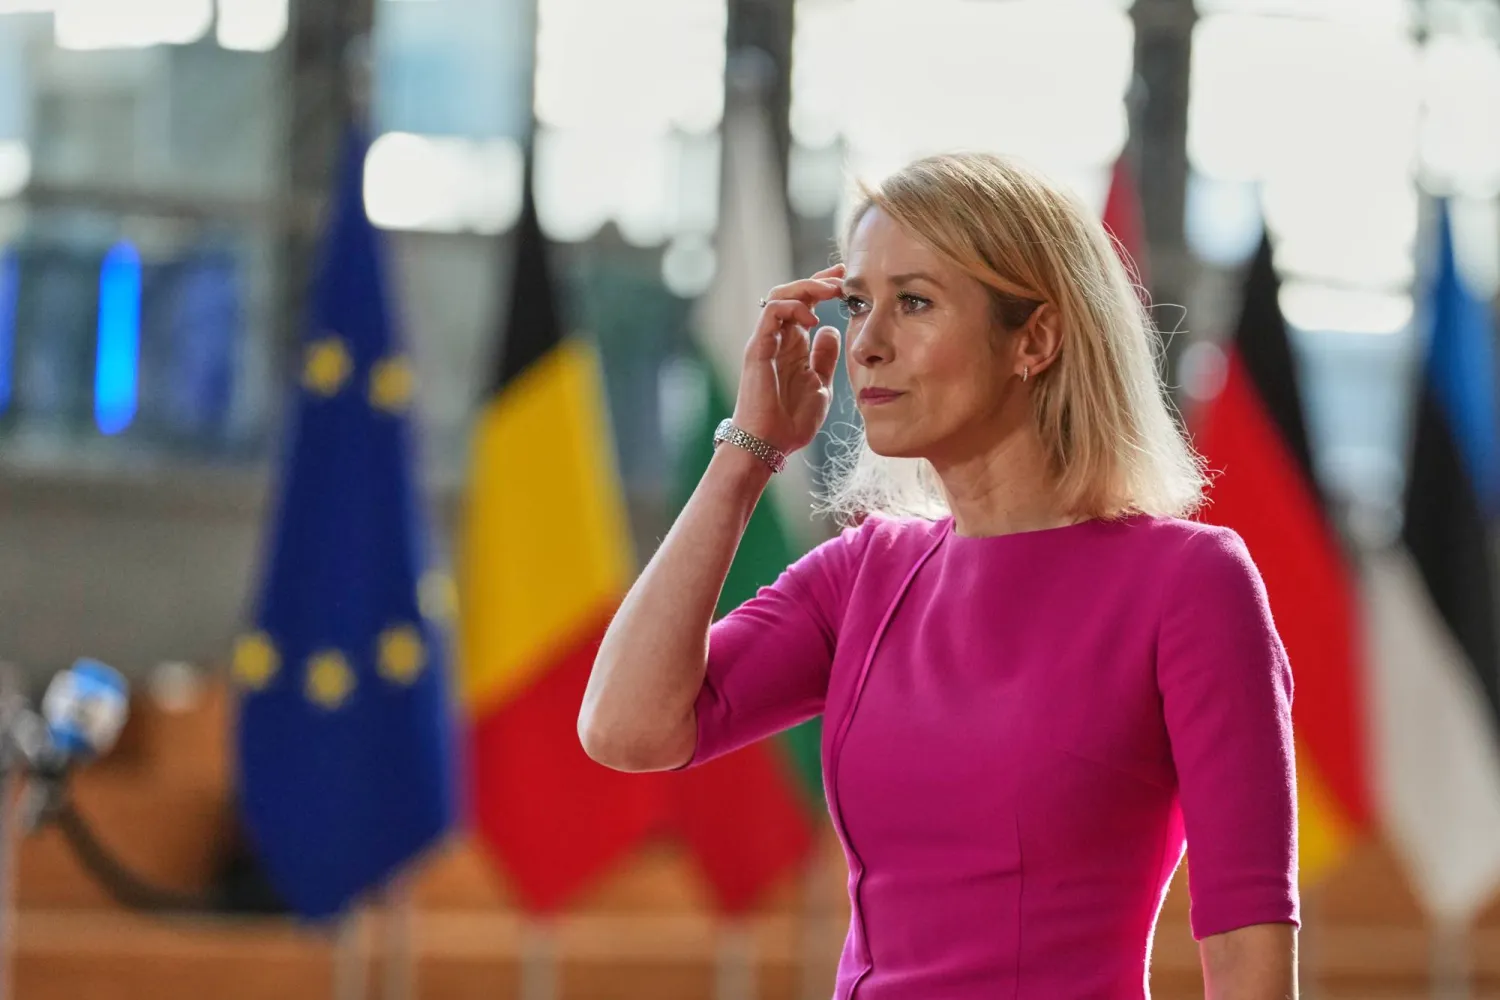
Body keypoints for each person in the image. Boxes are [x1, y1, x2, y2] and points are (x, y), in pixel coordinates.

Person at [579, 152, 1298, 999]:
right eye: (857, 304)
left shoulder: (1189, 583)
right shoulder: (865, 574)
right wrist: (747, 453)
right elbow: (626, 729)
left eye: (913, 302)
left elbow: (1249, 957)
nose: (866, 344)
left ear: (1035, 338)